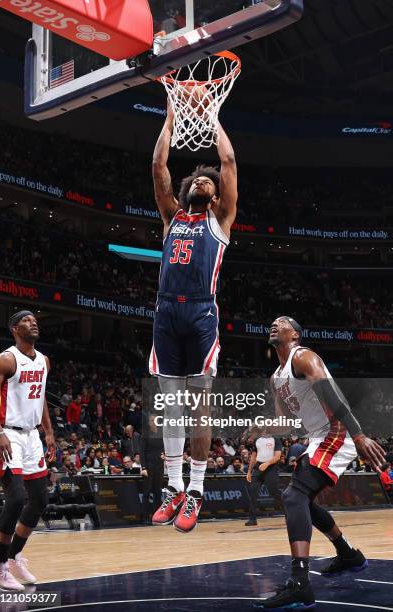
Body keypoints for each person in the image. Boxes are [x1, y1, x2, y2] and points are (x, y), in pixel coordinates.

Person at [254, 316, 385, 610]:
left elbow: (331, 393)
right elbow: (284, 423)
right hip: (317, 437)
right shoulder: (276, 378)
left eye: (283, 322)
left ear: (296, 335)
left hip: (336, 431)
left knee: (293, 496)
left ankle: (300, 584)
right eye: (271, 322)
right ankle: (348, 553)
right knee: (303, 503)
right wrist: (259, 427)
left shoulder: (303, 357)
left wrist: (359, 434)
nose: (274, 324)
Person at [150, 102, 237, 532]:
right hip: (166, 311)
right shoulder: (171, 217)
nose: (203, 179)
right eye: (196, 179)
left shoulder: (220, 220)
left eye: (209, 181)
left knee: (199, 407)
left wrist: (213, 115)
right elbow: (159, 165)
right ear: (186, 192)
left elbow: (228, 160)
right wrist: (170, 119)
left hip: (201, 312)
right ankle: (173, 488)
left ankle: (197, 491)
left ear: (217, 196)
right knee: (171, 408)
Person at [0, 311, 56, 591]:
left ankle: (14, 557)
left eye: (35, 319)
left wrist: (48, 432)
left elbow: (41, 399)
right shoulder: (6, 359)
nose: (34, 322)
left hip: (31, 436)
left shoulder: (44, 361)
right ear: (15, 328)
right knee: (15, 499)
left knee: (40, 500)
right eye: (26, 320)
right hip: (8, 434)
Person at [245, 430, 282, 527]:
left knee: (275, 492)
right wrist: (249, 471)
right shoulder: (257, 439)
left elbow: (277, 456)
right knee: (252, 493)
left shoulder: (276, 439)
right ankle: (252, 519)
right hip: (258, 468)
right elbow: (253, 457)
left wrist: (267, 463)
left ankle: (289, 514)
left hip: (271, 468)